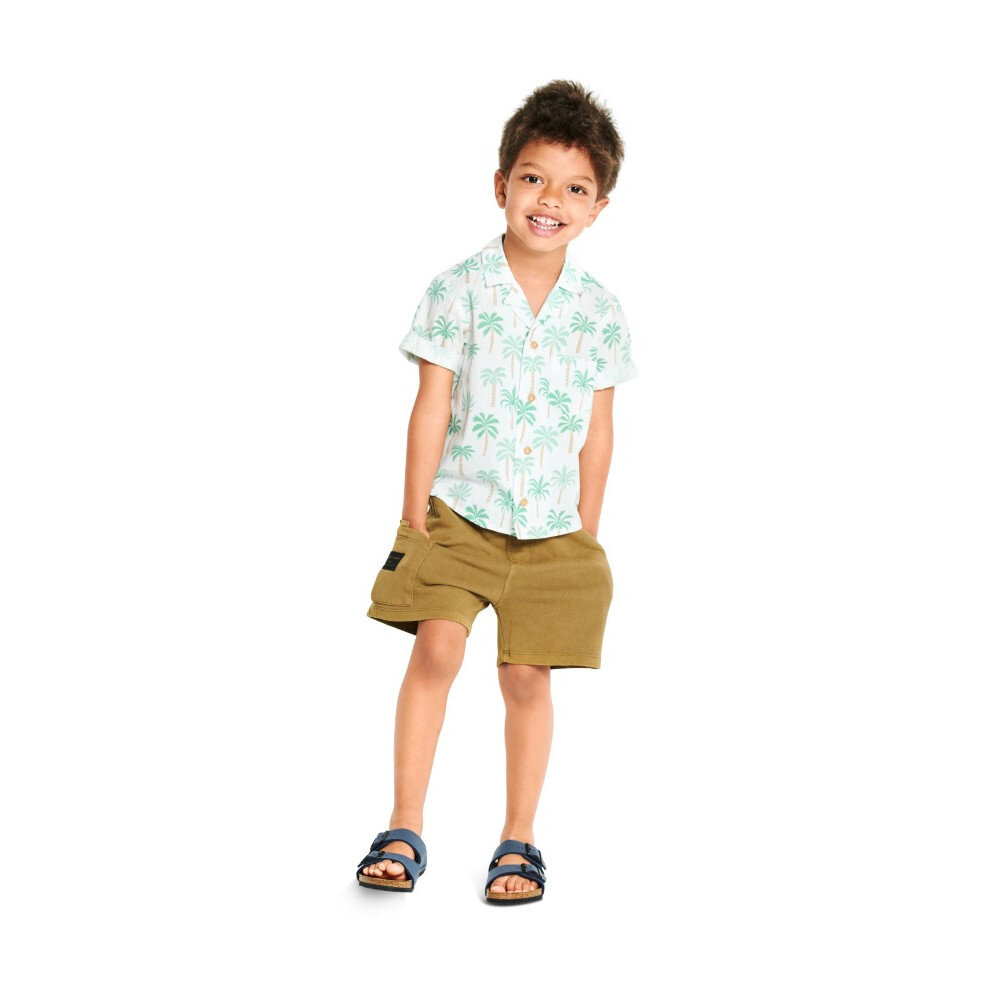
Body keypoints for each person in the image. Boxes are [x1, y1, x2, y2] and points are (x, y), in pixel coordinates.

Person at [356, 80, 638, 904]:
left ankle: (519, 837)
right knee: (437, 646)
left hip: (553, 529)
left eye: (575, 189)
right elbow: (431, 405)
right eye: (534, 179)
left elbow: (600, 430)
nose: (550, 201)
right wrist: (414, 515)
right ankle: (404, 823)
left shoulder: (599, 311)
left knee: (526, 677)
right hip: (461, 515)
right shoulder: (458, 289)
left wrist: (586, 530)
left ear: (598, 208)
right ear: (501, 185)